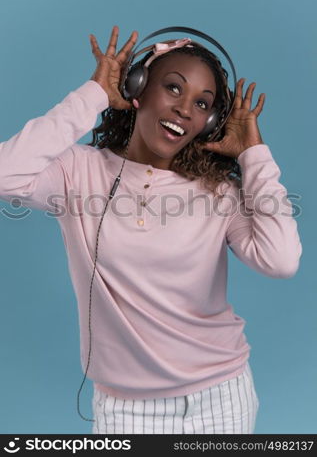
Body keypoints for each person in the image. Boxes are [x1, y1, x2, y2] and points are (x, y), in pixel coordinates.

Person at [0, 26, 302, 434]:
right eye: (173, 88)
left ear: (210, 122)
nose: (184, 109)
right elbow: (6, 174)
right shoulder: (78, 172)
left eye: (202, 104)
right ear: (137, 87)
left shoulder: (219, 193)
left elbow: (280, 260)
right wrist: (92, 95)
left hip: (221, 397)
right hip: (126, 409)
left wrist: (254, 155)